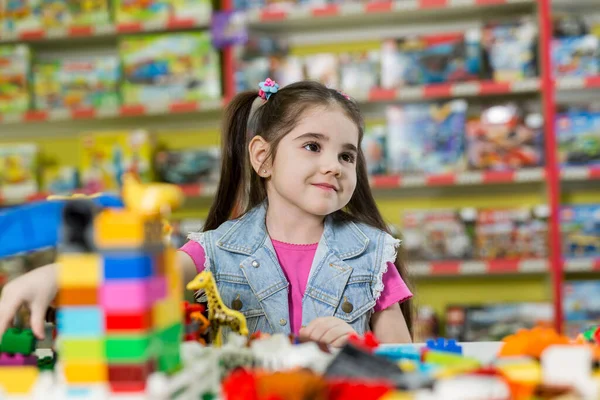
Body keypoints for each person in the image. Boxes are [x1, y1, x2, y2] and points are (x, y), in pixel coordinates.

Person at [0, 79, 413, 347]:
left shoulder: (372, 254)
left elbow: (406, 363)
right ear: (262, 158)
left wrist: (362, 350)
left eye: (346, 155)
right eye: (312, 146)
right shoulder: (215, 250)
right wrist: (62, 276)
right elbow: (150, 273)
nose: (333, 166)